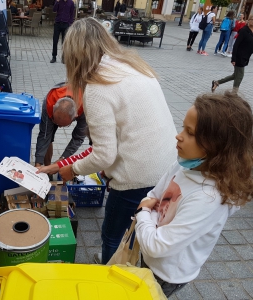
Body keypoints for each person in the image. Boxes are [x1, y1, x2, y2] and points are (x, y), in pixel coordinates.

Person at [59, 18, 177, 265]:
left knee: (112, 233)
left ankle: (110, 270)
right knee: (144, 225)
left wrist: (72, 169)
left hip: (137, 175)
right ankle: (133, 263)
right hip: (167, 167)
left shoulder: (99, 86)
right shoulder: (133, 66)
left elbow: (104, 155)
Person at [135, 92, 253, 297]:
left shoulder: (207, 198)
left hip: (167, 272)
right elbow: (155, 193)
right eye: (183, 128)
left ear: (216, 146)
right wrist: (150, 216)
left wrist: (144, 212)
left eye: (190, 133)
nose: (179, 135)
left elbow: (156, 244)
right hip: (153, 256)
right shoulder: (184, 166)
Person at [34, 83, 87, 172]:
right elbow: (45, 136)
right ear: (54, 108)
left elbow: (78, 138)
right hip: (53, 103)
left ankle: (50, 169)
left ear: (75, 116)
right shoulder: (49, 103)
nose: (59, 127)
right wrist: (37, 164)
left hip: (81, 106)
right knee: (47, 136)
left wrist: (62, 160)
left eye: (64, 125)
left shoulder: (86, 109)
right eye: (56, 123)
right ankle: (47, 170)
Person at [212, 14, 253, 93]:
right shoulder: (244, 30)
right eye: (252, 19)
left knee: (235, 75)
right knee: (240, 76)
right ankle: (234, 94)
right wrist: (233, 58)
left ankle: (217, 82)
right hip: (239, 56)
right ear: (249, 20)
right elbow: (236, 44)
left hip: (246, 57)